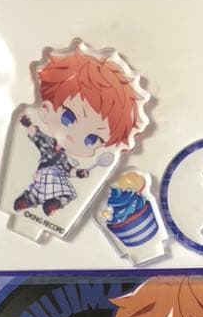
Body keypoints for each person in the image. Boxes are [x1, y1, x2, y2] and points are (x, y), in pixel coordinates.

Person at [13, 44, 148, 216]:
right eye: (68, 117)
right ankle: (27, 200)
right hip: (43, 175)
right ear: (46, 109)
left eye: (91, 139)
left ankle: (53, 203)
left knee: (67, 194)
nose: (75, 136)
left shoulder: (65, 159)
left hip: (57, 179)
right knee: (36, 191)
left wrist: (79, 173)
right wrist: (27, 124)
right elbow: (36, 136)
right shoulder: (48, 144)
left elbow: (69, 170)